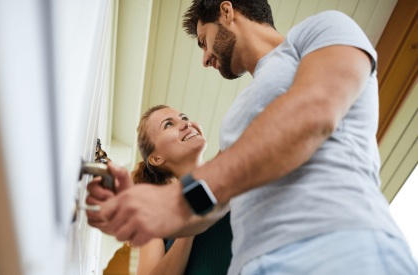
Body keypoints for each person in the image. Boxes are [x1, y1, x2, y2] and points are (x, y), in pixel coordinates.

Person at [87, 1, 418, 274]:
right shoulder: (239, 114)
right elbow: (214, 203)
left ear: (227, 12)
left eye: (204, 40)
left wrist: (177, 200)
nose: (204, 57)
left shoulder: (322, 30)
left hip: (334, 244)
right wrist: (138, 210)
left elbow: (314, 114)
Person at [88, 105, 232, 275]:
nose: (186, 124)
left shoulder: (230, 161)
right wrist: (189, 227)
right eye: (168, 125)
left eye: (184, 117)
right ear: (156, 158)